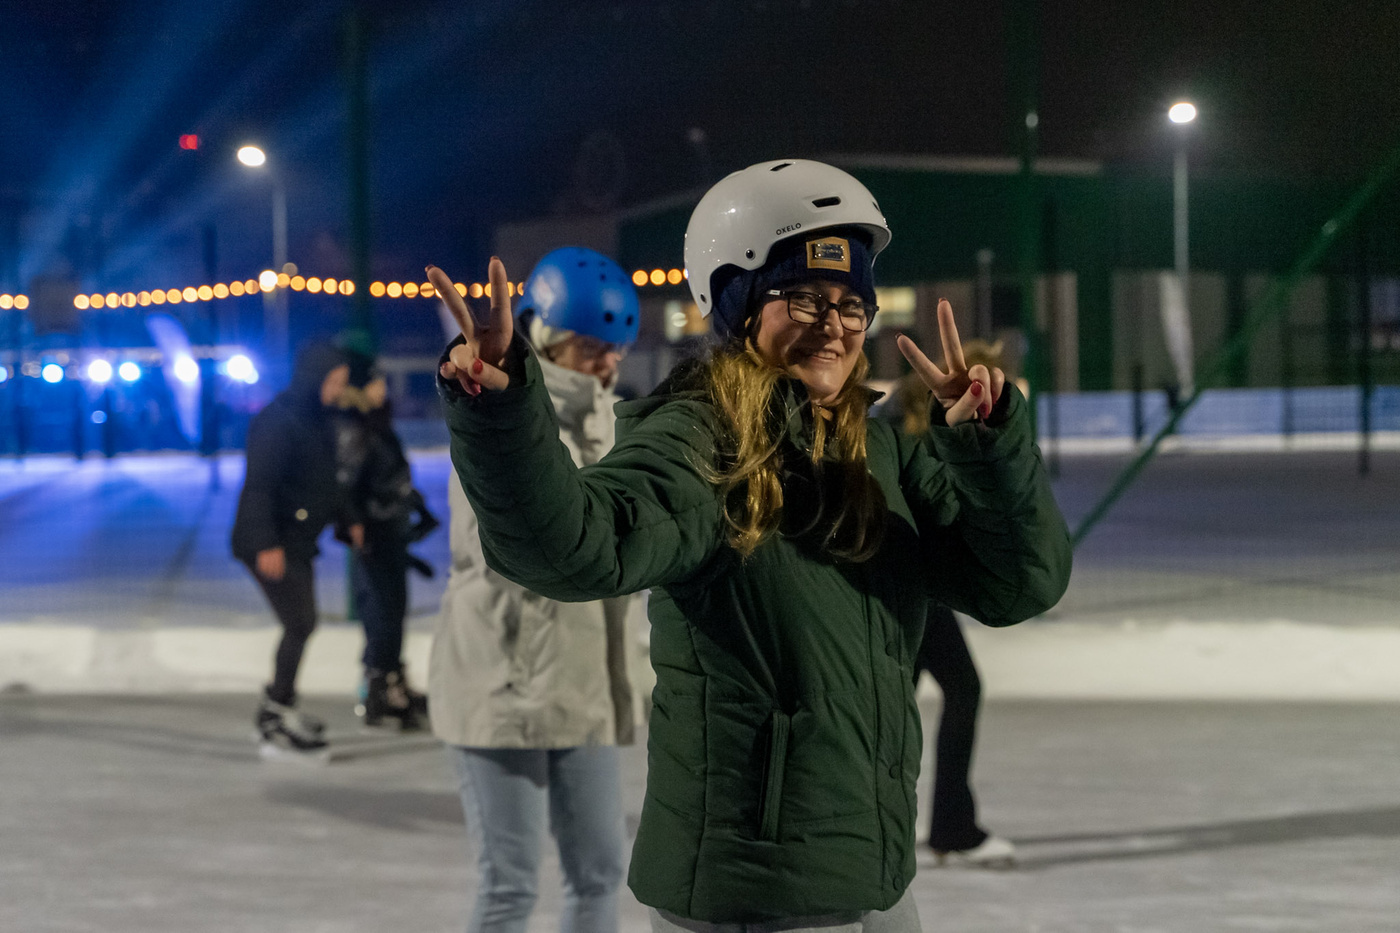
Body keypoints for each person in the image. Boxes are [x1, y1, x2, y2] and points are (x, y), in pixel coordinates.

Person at [428, 160, 1072, 930]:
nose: (833, 323)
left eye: (851, 303)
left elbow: (1017, 586)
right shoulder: (700, 440)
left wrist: (987, 450)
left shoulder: (877, 451)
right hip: (760, 887)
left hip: (871, 872)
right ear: (736, 305)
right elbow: (578, 546)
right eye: (803, 296)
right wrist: (502, 415)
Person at [429, 246, 641, 933]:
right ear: (546, 338)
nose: (607, 363)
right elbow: (495, 544)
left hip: (587, 682)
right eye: (589, 347)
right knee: (510, 886)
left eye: (615, 348)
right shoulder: (498, 411)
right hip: (502, 682)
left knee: (601, 872)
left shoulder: (616, 424)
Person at [885, 340, 1020, 868]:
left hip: (918, 589)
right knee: (947, 692)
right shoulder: (906, 435)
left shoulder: (922, 428)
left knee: (901, 703)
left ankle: (936, 825)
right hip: (909, 590)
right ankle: (947, 827)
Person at [231, 343, 362, 758]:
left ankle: (278, 708)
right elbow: (259, 485)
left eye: (343, 382)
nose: (339, 390)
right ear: (314, 380)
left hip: (296, 540)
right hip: (272, 542)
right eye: (334, 382)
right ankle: (274, 714)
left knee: (302, 623)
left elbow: (325, 480)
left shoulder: (316, 418)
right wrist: (266, 542)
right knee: (300, 622)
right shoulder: (276, 421)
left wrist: (348, 518)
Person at [336, 353, 439, 730]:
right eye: (377, 382)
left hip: (390, 527)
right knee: (382, 610)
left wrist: (414, 506)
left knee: (391, 609)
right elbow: (346, 481)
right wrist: (356, 522)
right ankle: (382, 688)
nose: (383, 388)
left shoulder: (376, 424)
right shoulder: (356, 427)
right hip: (376, 533)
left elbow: (392, 473)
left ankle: (390, 681)